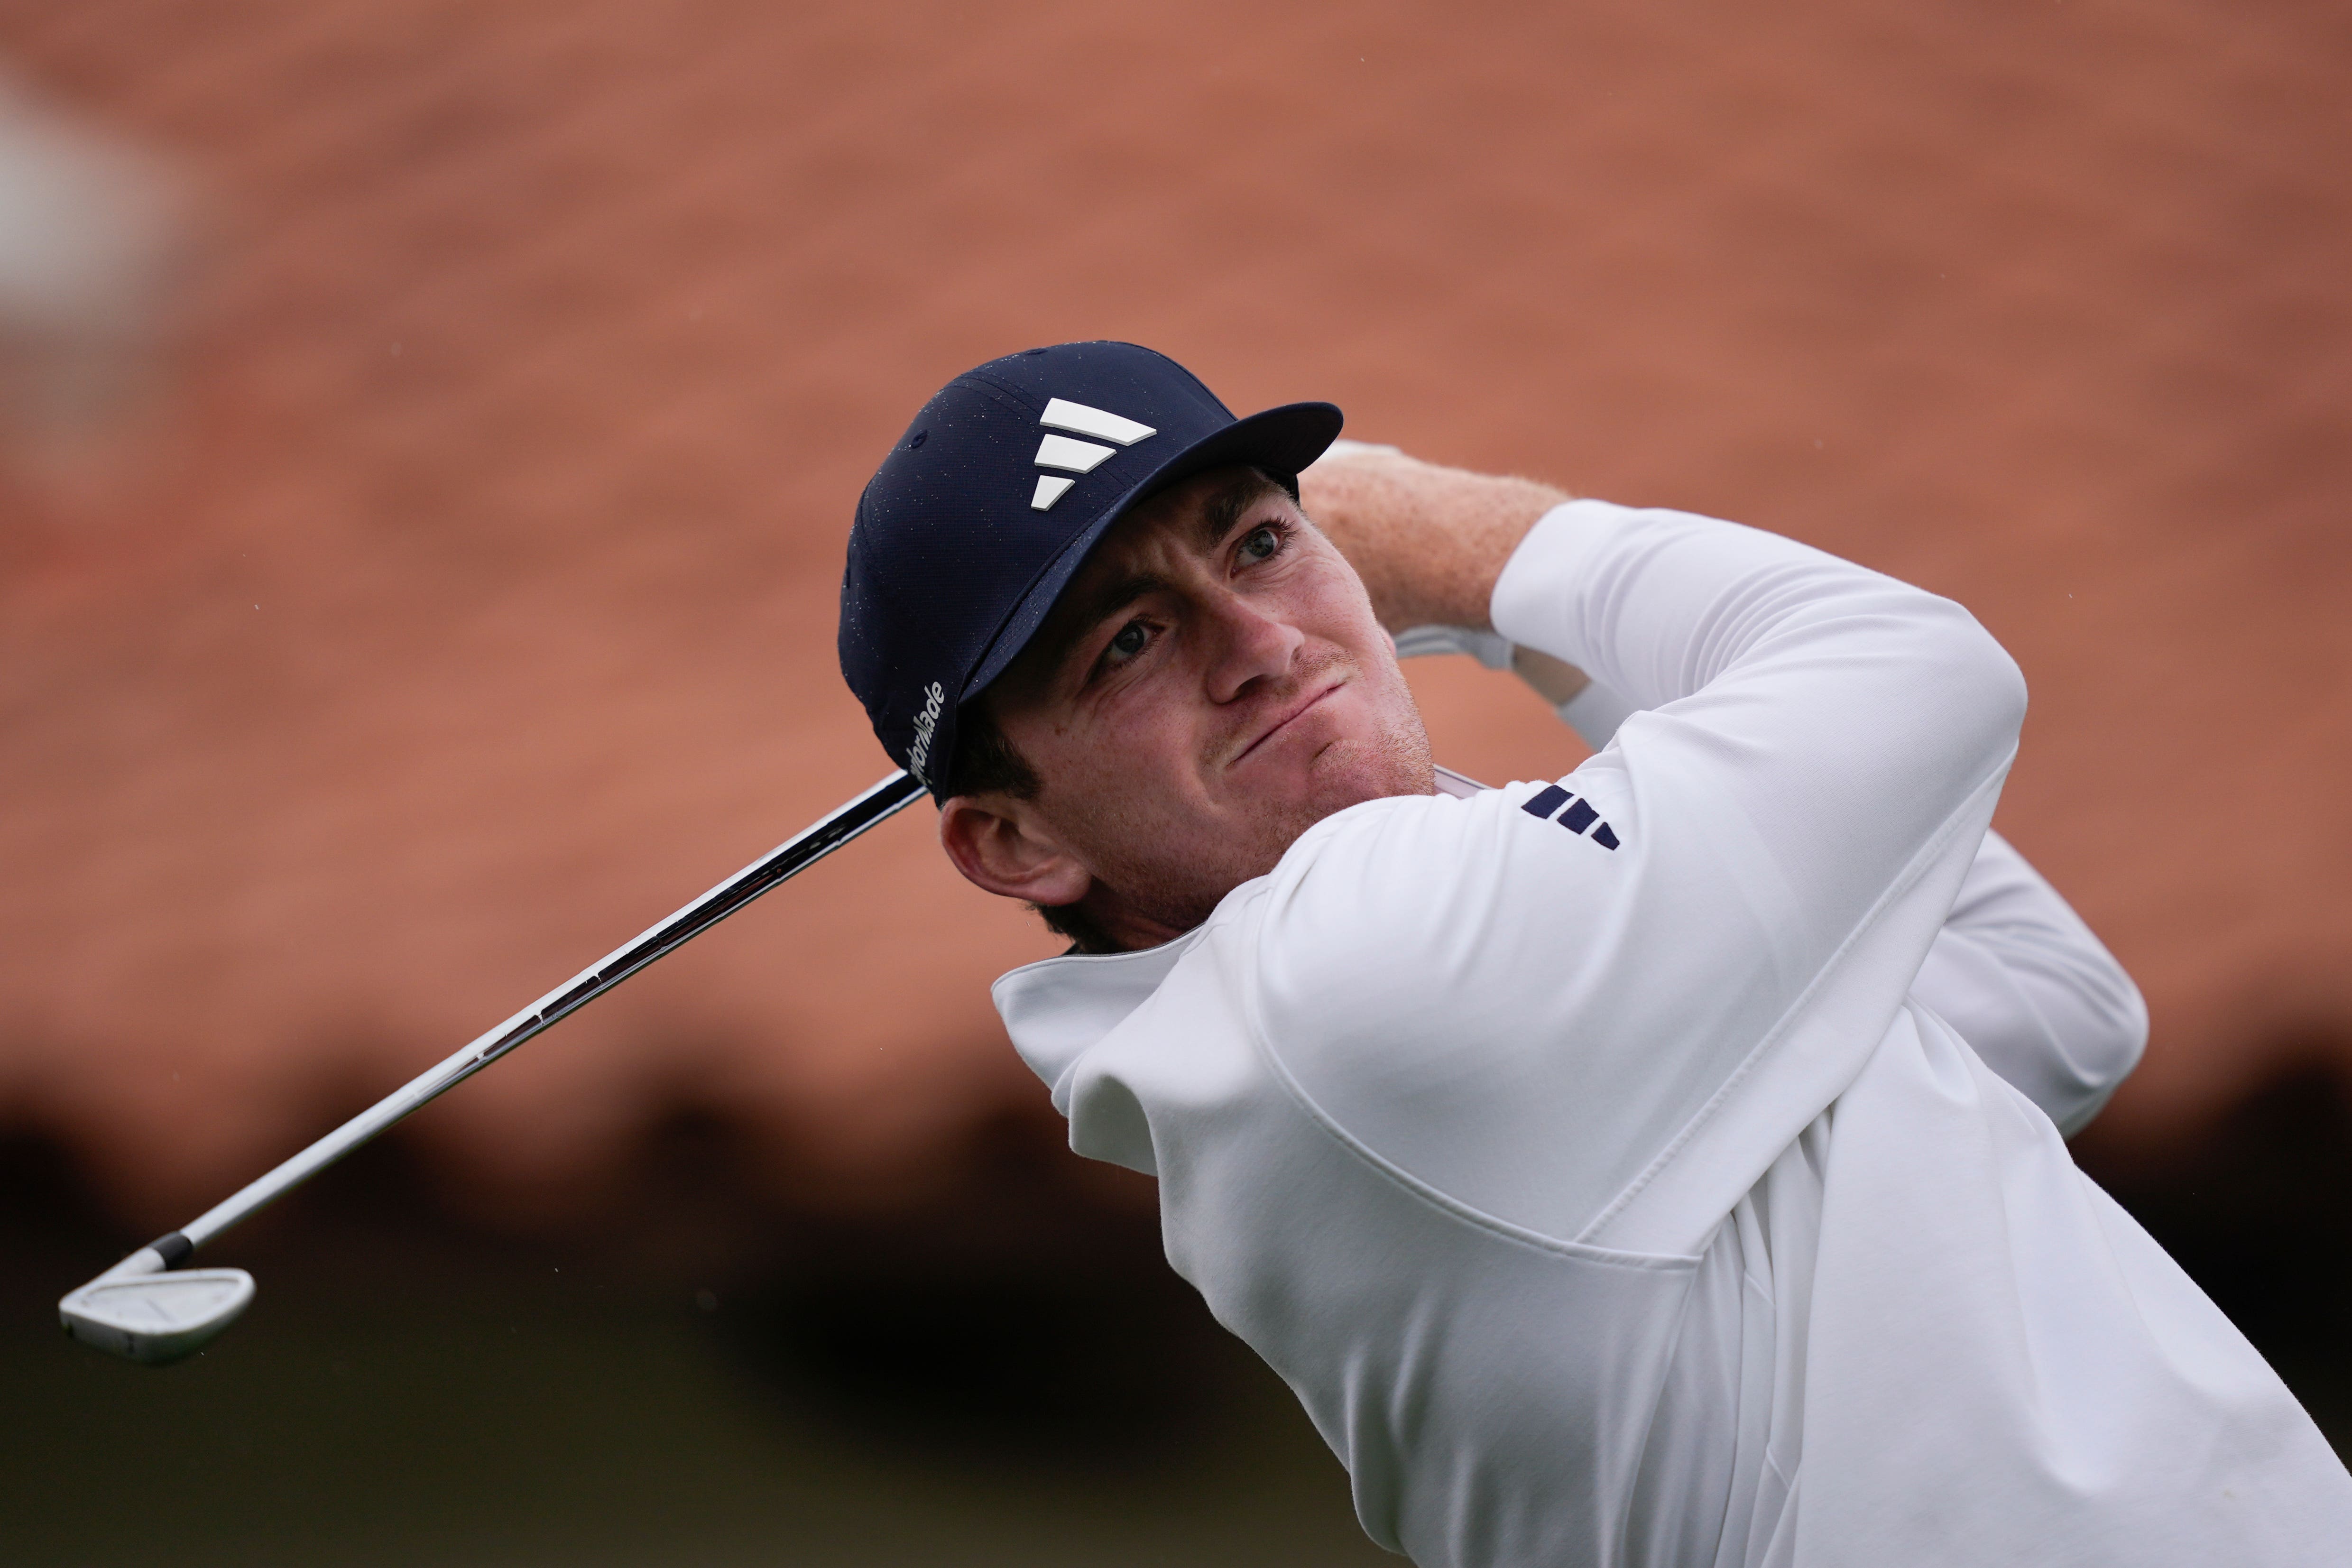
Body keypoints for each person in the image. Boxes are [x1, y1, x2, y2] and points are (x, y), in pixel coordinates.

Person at [837, 341, 2352, 1566]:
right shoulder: (1342, 979)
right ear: (1017, 845)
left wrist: (1487, 624)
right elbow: (1924, 675)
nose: (1259, 636)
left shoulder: (1420, 962)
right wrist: (1457, 544)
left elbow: (2040, 1003)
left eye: (1259, 540)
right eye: (1128, 642)